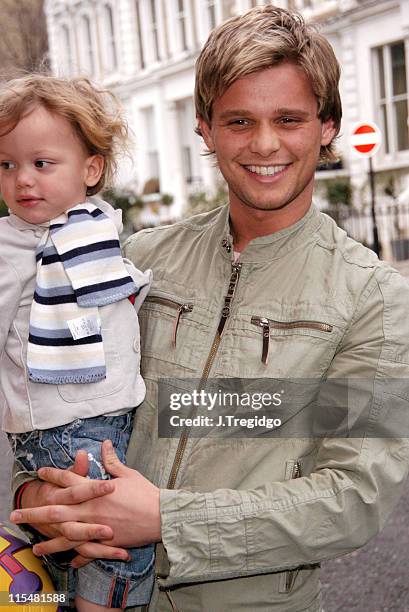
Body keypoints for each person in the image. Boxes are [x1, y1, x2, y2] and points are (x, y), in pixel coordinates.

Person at [10, 6, 409, 612]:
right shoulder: (135, 262)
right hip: (95, 589)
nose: (265, 143)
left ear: (327, 126)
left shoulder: (374, 297)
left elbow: (353, 498)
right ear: (205, 128)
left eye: (290, 119)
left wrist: (167, 518)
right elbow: (40, 393)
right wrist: (34, 491)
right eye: (240, 121)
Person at [0, 74, 155, 611]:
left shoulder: (88, 228)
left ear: (90, 169)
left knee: (87, 541)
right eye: (7, 164)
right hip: (69, 426)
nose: (22, 179)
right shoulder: (15, 247)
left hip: (102, 417)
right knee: (113, 542)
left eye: (41, 163)